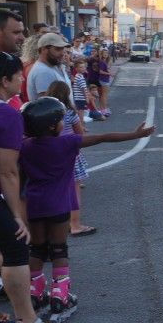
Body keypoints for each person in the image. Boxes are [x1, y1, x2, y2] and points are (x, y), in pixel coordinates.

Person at [19, 97, 155, 323]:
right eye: (61, 120)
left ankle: (35, 292)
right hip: (59, 205)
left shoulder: (25, 147)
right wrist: (135, 135)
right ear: (52, 125)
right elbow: (103, 137)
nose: (64, 123)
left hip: (34, 206)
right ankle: (60, 296)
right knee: (59, 250)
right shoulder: (67, 143)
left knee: (37, 249)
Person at [0, 52, 69, 323]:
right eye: (18, 76)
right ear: (4, 80)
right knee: (16, 250)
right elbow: (7, 172)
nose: (22, 80)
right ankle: (27, 320)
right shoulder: (6, 114)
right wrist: (17, 215)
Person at [47, 81, 96, 237]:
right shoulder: (69, 112)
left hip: (50, 155)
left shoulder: (46, 112)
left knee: (54, 191)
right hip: (68, 154)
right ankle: (75, 224)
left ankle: (56, 225)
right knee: (73, 191)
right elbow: (79, 133)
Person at [26, 33, 72, 102]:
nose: (62, 53)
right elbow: (49, 105)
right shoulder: (43, 72)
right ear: (44, 49)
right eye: (58, 49)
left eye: (62, 49)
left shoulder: (52, 67)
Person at [98, 48, 112, 117]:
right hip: (104, 80)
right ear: (102, 54)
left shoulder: (104, 61)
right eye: (104, 53)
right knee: (104, 96)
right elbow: (100, 71)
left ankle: (102, 109)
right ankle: (104, 109)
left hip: (104, 80)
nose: (106, 54)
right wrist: (108, 74)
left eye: (107, 53)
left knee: (102, 95)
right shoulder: (102, 62)